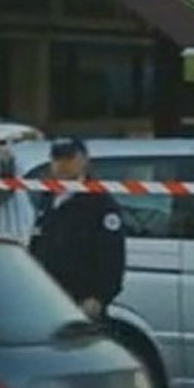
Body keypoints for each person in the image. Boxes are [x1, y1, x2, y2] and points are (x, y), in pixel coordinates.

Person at [29, 137, 126, 320]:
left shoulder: (100, 202)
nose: (62, 165)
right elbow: (37, 243)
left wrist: (99, 297)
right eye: (57, 159)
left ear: (83, 161)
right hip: (48, 296)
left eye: (69, 158)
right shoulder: (48, 196)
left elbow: (112, 256)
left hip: (82, 300)